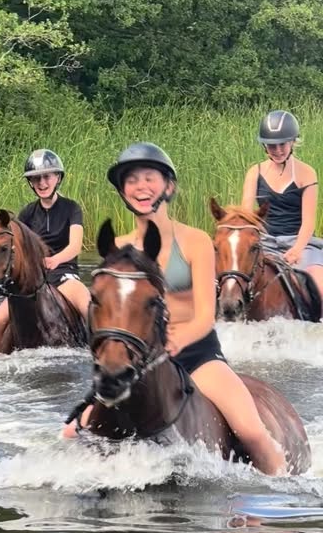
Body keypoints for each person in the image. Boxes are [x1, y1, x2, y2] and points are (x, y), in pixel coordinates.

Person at [62, 142, 287, 475]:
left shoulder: (195, 240)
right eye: (132, 180)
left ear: (168, 186)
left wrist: (176, 342)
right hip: (138, 357)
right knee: (70, 433)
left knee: (253, 432)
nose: (141, 186)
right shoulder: (120, 249)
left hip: (196, 355)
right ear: (123, 191)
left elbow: (205, 315)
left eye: (149, 178)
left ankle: (278, 509)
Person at [0, 149, 90, 354]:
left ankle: (100, 358)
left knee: (89, 307)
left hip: (64, 276)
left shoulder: (72, 208)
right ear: (31, 183)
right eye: (35, 179)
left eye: (46, 177)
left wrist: (55, 260)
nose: (42, 183)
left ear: (57, 177)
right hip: (33, 280)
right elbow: (18, 250)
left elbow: (75, 246)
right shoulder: (27, 213)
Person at [241, 109, 323, 300]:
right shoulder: (255, 172)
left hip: (299, 241)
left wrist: (297, 250)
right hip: (265, 241)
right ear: (265, 146)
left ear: (293, 141)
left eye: (282, 144)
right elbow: (246, 215)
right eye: (272, 146)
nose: (277, 150)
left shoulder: (307, 173)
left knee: (319, 284)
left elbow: (308, 222)